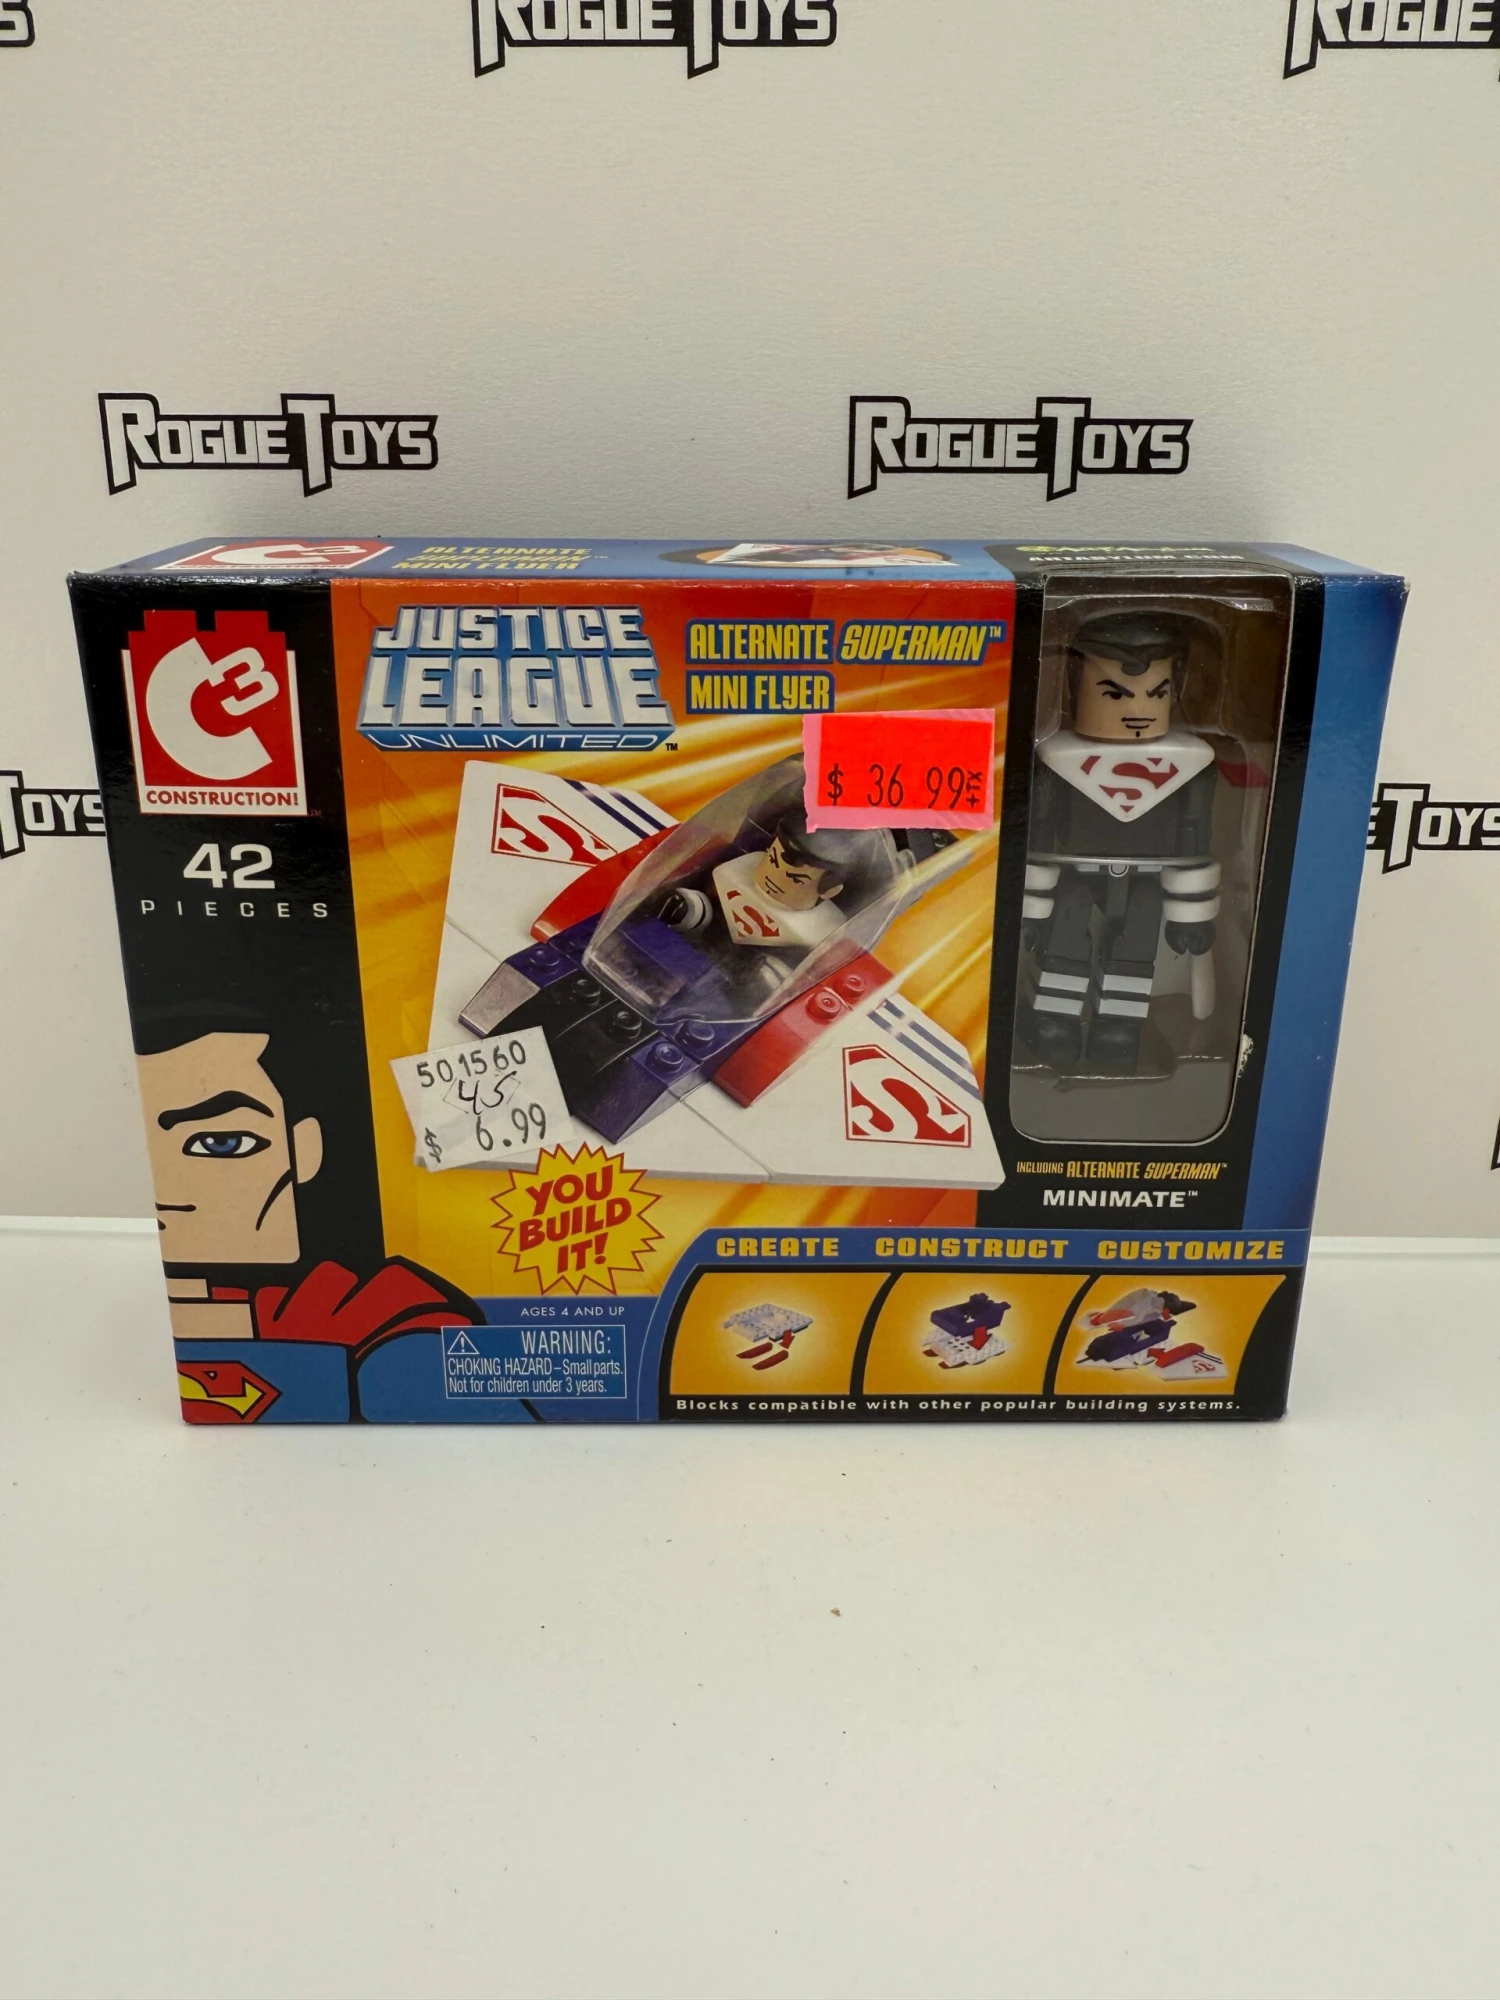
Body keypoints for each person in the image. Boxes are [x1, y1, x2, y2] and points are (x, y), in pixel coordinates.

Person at [135, 1004, 481, 1349]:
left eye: (221, 1142)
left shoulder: (381, 1314)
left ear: (305, 1148)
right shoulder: (151, 1314)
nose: (167, 1197)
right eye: (150, 1147)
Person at [1019, 608, 1221, 1072]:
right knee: (1068, 916)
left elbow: (1193, 842)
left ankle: (1120, 1023)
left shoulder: (1190, 766)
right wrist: (1029, 910)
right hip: (1074, 873)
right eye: (1113, 694)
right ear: (1075, 684)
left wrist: (1191, 916)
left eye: (1158, 693)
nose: (1138, 712)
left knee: (1144, 921)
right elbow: (1039, 832)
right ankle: (1054, 1015)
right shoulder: (1056, 762)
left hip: (1147, 876)